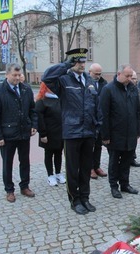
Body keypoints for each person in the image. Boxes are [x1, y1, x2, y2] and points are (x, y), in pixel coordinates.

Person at [41, 48, 102, 215]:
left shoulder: (89, 80)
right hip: (72, 132)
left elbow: (96, 104)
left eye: (83, 61)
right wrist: (65, 66)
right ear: (71, 62)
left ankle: (85, 197)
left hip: (88, 132)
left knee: (85, 168)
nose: (82, 64)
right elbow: (46, 78)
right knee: (72, 169)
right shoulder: (63, 80)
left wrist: (97, 125)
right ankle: (74, 200)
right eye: (77, 61)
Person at [0, 63, 38, 203]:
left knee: (25, 161)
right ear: (7, 75)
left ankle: (25, 186)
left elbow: (33, 110)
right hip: (7, 135)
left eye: (18, 75)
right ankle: (9, 190)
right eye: (14, 75)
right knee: (7, 163)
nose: (17, 78)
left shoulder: (26, 89)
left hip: (24, 133)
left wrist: (34, 124)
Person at [100, 64, 140, 199]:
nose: (130, 79)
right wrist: (105, 135)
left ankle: (125, 184)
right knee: (114, 162)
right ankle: (114, 186)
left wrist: (138, 130)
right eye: (127, 76)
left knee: (126, 160)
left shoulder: (133, 89)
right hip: (115, 133)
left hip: (130, 133)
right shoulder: (108, 89)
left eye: (131, 76)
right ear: (119, 74)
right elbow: (103, 115)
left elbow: (137, 111)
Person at [35, 82, 66, 187]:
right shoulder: (42, 101)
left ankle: (58, 173)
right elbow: (39, 119)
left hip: (60, 132)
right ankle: (50, 175)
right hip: (48, 133)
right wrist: (43, 134)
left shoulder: (59, 99)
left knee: (59, 153)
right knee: (49, 154)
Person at [88, 63, 109, 179]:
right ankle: (90, 168)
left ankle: (97, 166)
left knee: (98, 146)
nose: (98, 76)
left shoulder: (104, 83)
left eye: (100, 74)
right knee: (89, 146)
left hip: (100, 119)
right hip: (89, 119)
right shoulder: (86, 82)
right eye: (96, 74)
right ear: (90, 72)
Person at [130, 71, 140, 167]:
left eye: (135, 79)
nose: (134, 80)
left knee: (134, 140)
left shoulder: (136, 90)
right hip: (126, 119)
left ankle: (132, 157)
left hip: (135, 119)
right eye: (132, 78)